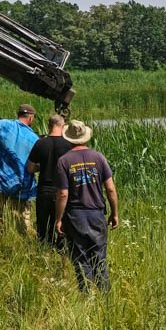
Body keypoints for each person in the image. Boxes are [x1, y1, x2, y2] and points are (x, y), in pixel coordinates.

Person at [54, 120, 119, 293]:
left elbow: (63, 194)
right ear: (86, 137)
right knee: (99, 257)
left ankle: (86, 296)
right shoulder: (98, 157)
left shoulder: (63, 161)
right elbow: (111, 189)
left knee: (80, 258)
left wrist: (58, 219)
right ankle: (105, 297)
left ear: (68, 139)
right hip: (97, 214)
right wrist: (115, 214)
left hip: (75, 216)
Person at [0, 104, 38, 235]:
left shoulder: (4, 124)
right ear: (30, 118)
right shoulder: (35, 138)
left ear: (18, 114)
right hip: (22, 183)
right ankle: (25, 238)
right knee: (23, 219)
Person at [26, 114, 72, 248]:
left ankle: (42, 250)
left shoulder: (40, 143)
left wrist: (43, 166)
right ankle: (59, 251)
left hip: (44, 190)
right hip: (62, 190)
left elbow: (30, 168)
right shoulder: (68, 144)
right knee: (59, 224)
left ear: (49, 125)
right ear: (62, 126)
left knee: (42, 225)